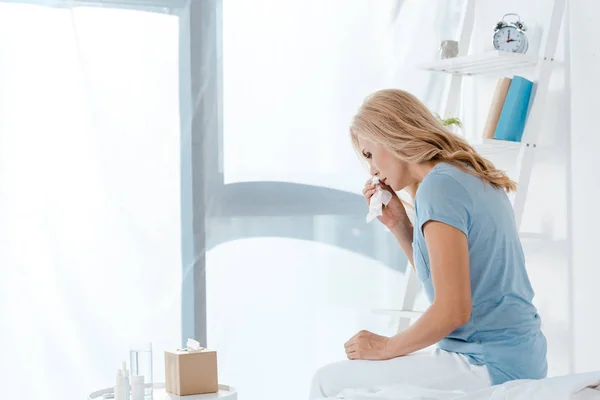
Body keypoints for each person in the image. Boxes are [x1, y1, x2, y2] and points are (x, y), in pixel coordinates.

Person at [309, 89, 547, 399]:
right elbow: (447, 283)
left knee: (327, 382)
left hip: (488, 362)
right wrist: (399, 225)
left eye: (369, 154)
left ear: (391, 135)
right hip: (511, 355)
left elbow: (452, 310)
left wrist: (386, 347)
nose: (371, 170)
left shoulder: (440, 187)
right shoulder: (460, 175)